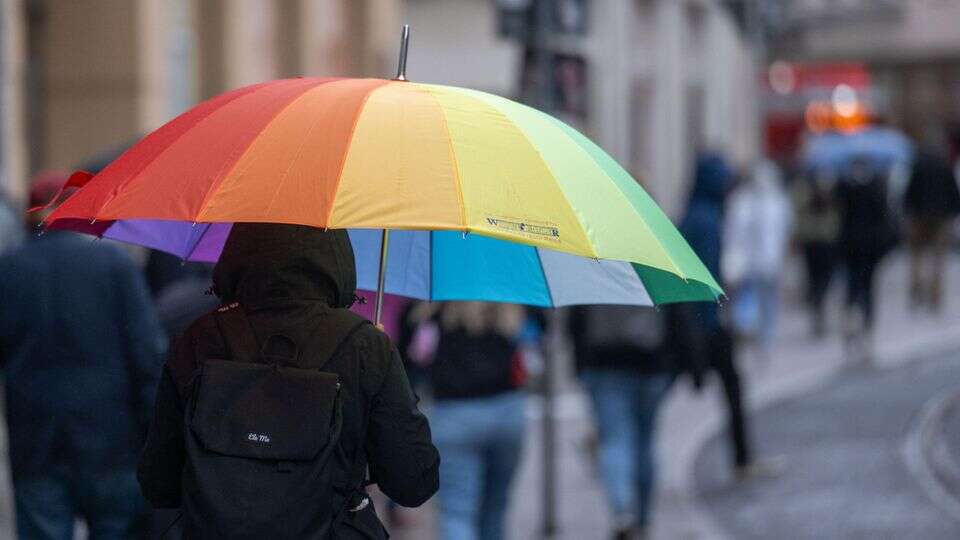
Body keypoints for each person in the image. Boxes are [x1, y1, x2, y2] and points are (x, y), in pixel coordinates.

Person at [137, 223, 439, 538]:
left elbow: (159, 484)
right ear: (336, 259)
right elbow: (414, 482)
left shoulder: (199, 338)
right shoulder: (363, 346)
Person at [0, 172, 166, 539]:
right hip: (111, 441)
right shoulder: (114, 265)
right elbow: (148, 355)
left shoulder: (9, 270)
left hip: (35, 440)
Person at [670, 153, 755, 477]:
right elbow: (704, 276)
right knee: (732, 385)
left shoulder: (694, 215)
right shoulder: (706, 221)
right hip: (703, 321)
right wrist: (713, 316)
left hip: (695, 317)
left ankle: (743, 457)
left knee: (673, 380)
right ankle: (742, 459)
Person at [424, 302, 528, 540]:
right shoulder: (510, 312)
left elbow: (413, 359)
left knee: (457, 512)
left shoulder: (433, 312)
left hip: (454, 415)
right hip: (507, 412)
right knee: (495, 508)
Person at [568, 305, 672, 540]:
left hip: (605, 363)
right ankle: (642, 519)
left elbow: (576, 317)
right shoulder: (658, 269)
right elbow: (677, 315)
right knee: (644, 442)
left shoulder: (592, 268)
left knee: (615, 440)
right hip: (651, 365)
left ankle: (623, 509)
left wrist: (579, 363)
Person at [723, 160, 793, 353]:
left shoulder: (775, 202)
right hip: (751, 261)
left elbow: (783, 232)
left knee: (764, 299)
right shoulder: (744, 201)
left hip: (766, 261)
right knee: (753, 296)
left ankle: (761, 335)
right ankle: (751, 330)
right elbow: (733, 233)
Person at [837, 157, 899, 363]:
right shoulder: (874, 187)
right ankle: (861, 328)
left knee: (854, 289)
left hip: (855, 248)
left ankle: (853, 323)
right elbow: (884, 218)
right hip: (867, 249)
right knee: (865, 290)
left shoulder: (844, 188)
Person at [903, 134, 960, 313]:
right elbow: (954, 193)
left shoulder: (917, 166)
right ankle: (935, 295)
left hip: (919, 216)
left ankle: (916, 289)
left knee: (917, 256)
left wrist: (909, 212)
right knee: (937, 259)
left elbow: (909, 192)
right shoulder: (945, 166)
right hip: (941, 218)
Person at [792, 169, 840, 337]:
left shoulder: (829, 191)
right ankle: (817, 300)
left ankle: (817, 300)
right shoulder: (806, 191)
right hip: (815, 239)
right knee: (817, 276)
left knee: (821, 277)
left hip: (820, 239)